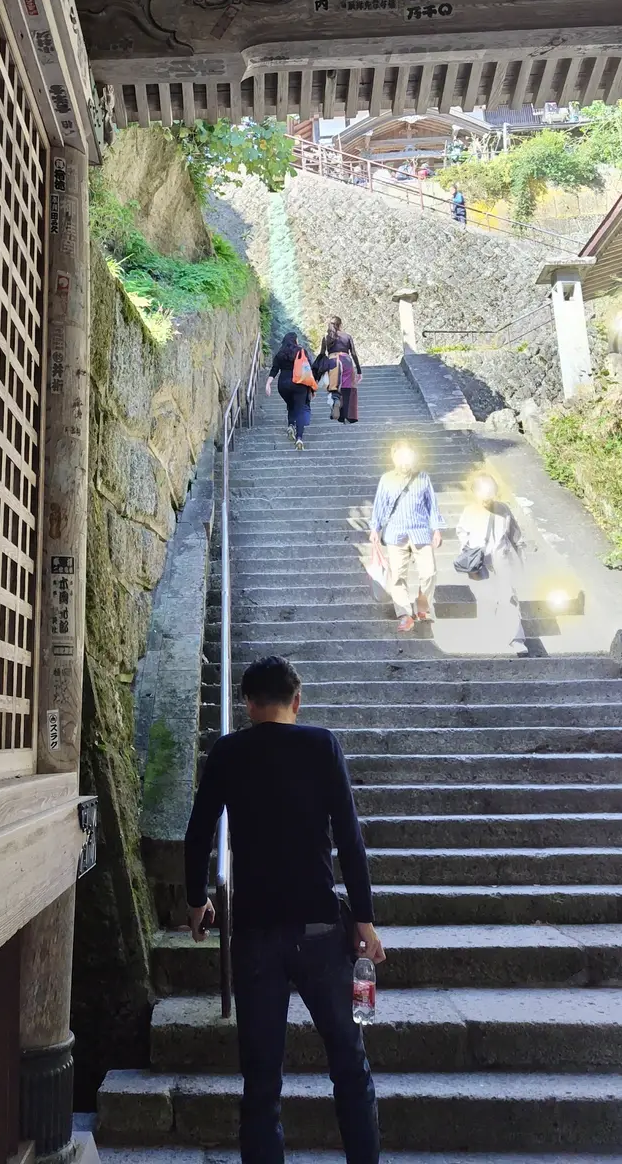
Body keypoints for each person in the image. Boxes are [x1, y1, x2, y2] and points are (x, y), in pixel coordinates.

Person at [185, 655, 383, 1164]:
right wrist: (364, 920)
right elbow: (350, 839)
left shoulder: (228, 751)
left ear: (248, 704)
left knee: (261, 1082)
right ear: (297, 701)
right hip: (320, 929)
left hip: (255, 933)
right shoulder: (322, 745)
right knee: (349, 1065)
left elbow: (199, 831)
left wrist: (197, 899)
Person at [369, 442, 443, 632]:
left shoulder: (423, 478)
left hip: (420, 532)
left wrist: (436, 529)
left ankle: (423, 607)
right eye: (401, 458)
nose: (405, 463)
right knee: (397, 577)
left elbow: (432, 505)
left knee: (429, 572)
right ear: (393, 458)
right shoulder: (386, 479)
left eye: (408, 458)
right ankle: (404, 614)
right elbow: (379, 505)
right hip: (396, 534)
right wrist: (375, 529)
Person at [454, 474, 524, 634]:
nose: (486, 498)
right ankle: (489, 631)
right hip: (479, 562)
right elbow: (461, 532)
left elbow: (515, 535)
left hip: (502, 557)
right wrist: (467, 550)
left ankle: (516, 637)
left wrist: (520, 558)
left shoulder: (503, 509)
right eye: (483, 493)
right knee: (485, 597)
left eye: (490, 493)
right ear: (475, 492)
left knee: (509, 596)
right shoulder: (469, 511)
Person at [265, 330, 316, 450]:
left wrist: (268, 384)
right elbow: (308, 369)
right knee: (300, 409)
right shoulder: (301, 351)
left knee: (291, 405)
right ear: (294, 340)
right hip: (299, 384)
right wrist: (312, 388)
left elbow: (274, 369)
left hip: (283, 385)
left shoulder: (280, 353)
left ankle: (290, 425)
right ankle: (299, 438)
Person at [318, 315, 362, 425]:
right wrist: (359, 370)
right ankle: (345, 416)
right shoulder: (347, 336)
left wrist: (319, 369)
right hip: (346, 361)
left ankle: (336, 401)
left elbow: (322, 354)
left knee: (334, 386)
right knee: (347, 388)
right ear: (340, 325)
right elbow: (354, 353)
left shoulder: (326, 337)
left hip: (333, 361)